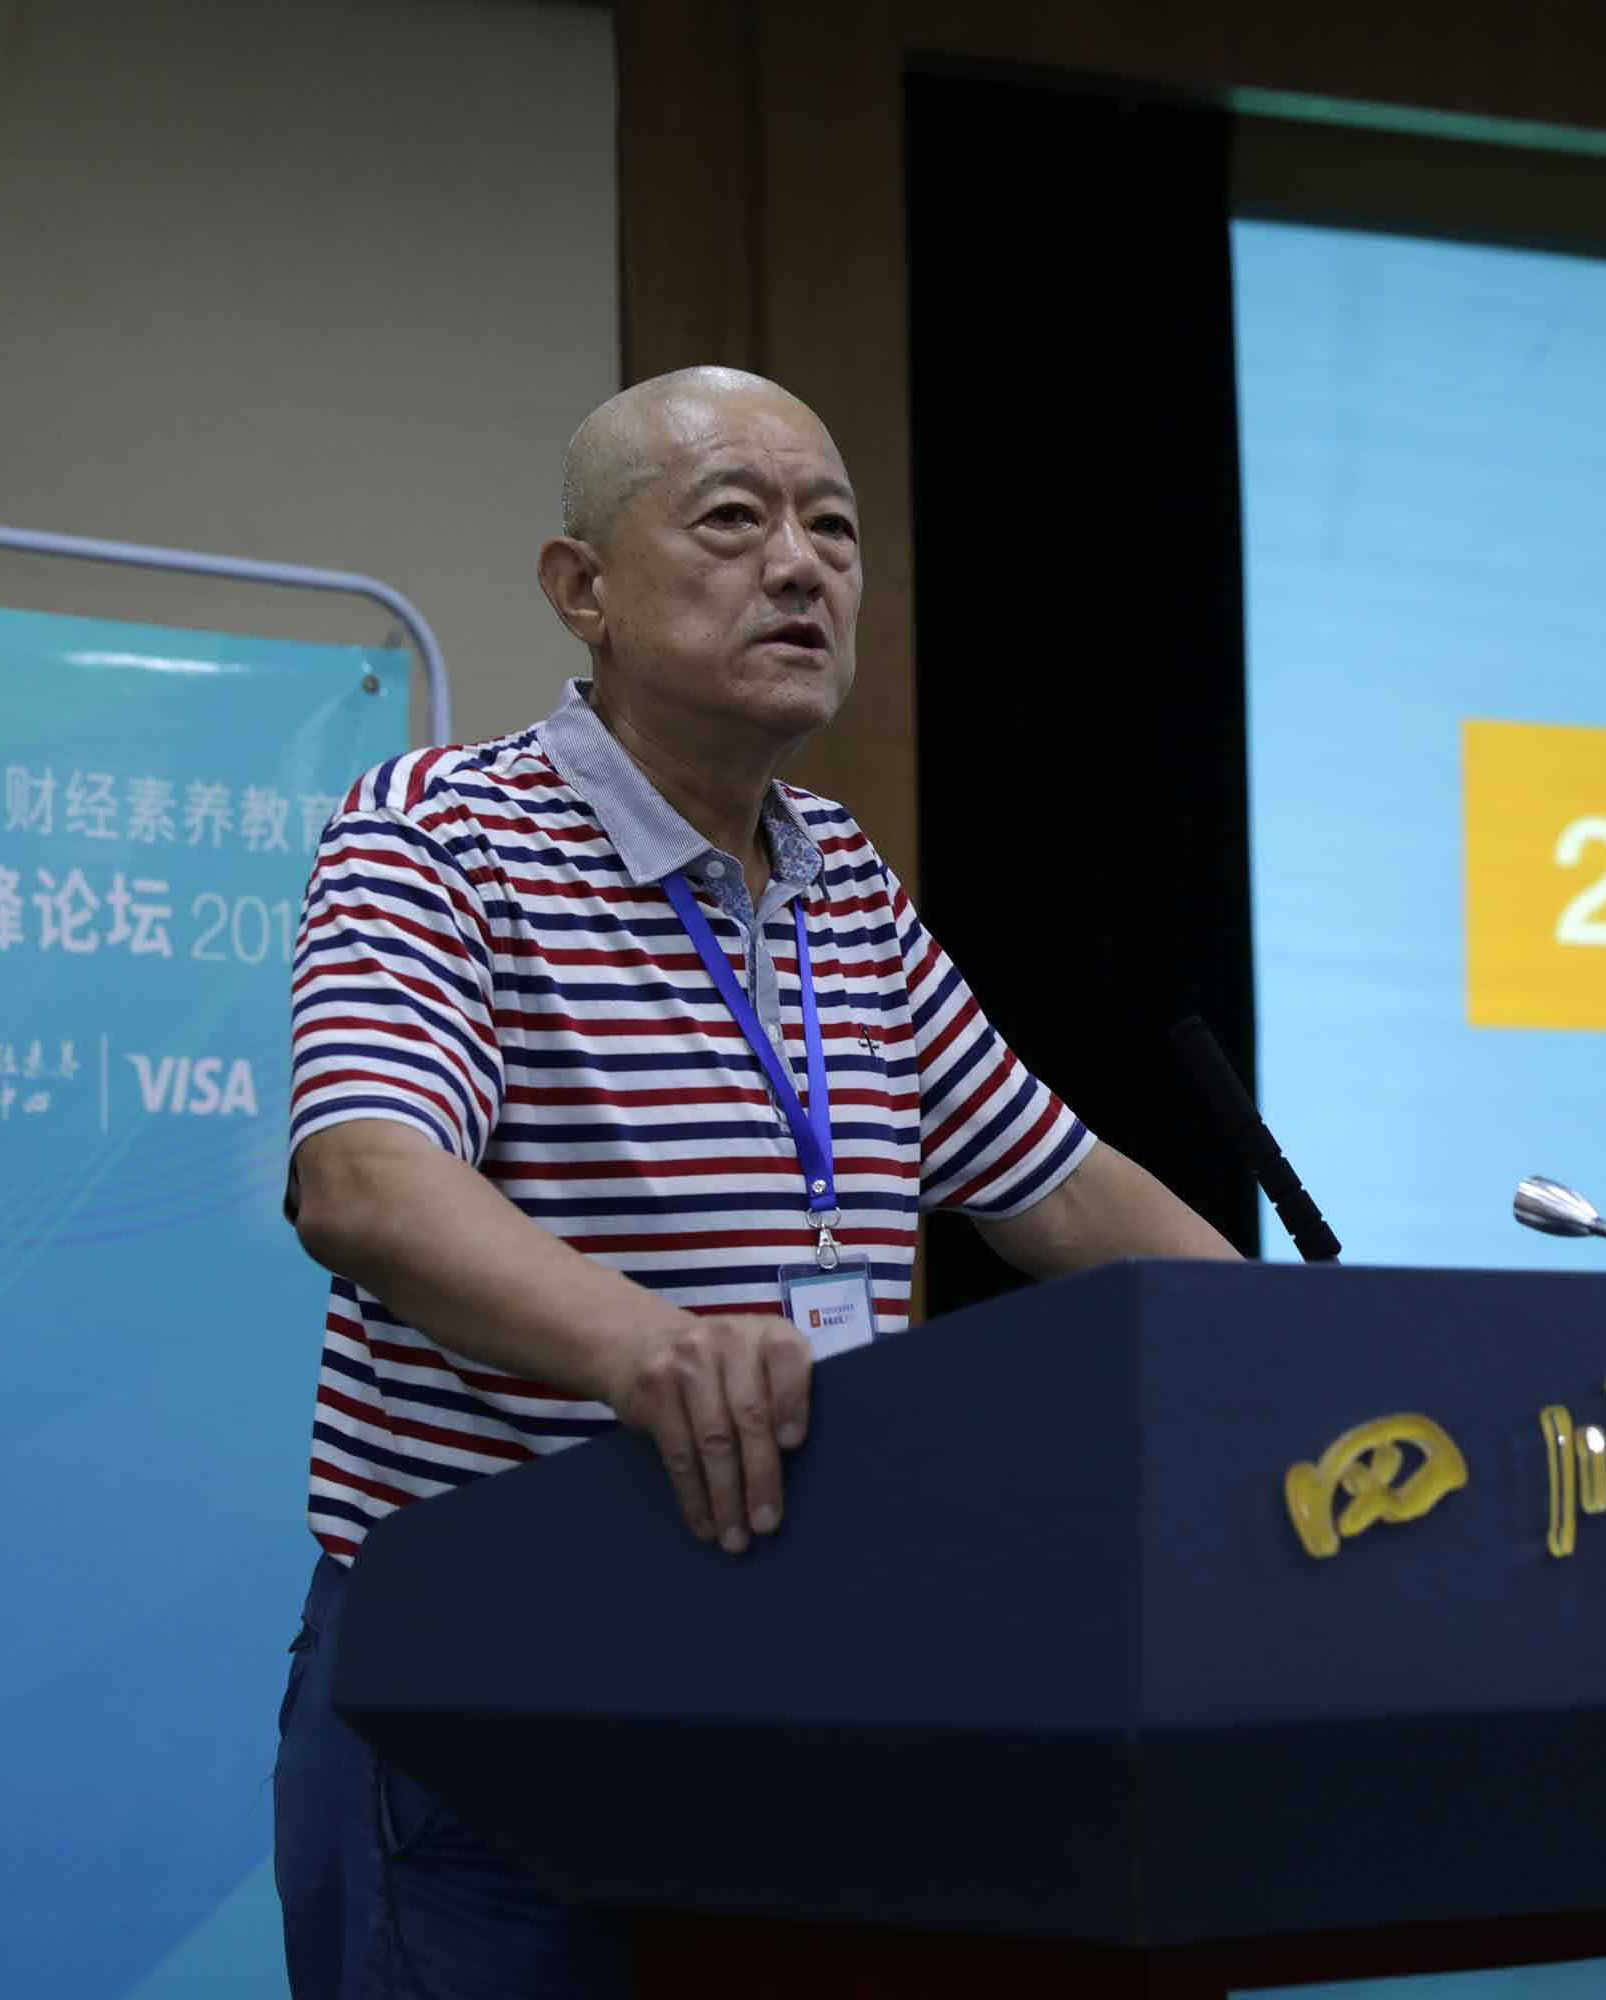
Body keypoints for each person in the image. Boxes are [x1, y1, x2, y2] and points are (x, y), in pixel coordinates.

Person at [268, 366, 1236, 1998]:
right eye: (734, 519)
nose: (801, 566)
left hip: (799, 1673)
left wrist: (1292, 1371)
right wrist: (650, 1347)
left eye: (833, 530)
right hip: (498, 1680)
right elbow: (364, 1179)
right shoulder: (440, 833)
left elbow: (1063, 1191)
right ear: (582, 588)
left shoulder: (839, 875)